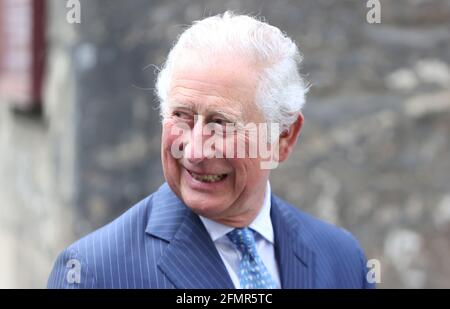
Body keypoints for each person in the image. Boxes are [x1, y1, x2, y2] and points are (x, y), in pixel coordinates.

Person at [48, 11, 374, 289]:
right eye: (181, 116)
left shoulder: (342, 259)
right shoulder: (94, 273)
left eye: (221, 123)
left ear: (283, 138)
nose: (195, 151)